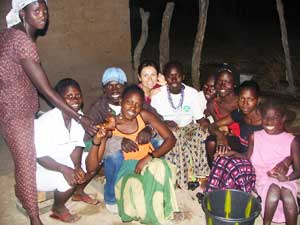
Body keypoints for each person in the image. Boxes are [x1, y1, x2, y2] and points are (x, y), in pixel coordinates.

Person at [0, 1, 96, 224]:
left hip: (17, 105)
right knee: (26, 162)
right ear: (22, 13)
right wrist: (79, 116)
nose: (43, 15)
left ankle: (22, 191)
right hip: (14, 113)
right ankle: (35, 218)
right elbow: (45, 89)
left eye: (45, 10)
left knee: (26, 156)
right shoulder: (22, 40)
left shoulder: (13, 33)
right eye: (36, 11)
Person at [88, 84, 179, 224]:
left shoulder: (143, 116)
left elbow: (171, 138)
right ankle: (114, 196)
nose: (132, 108)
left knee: (160, 167)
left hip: (146, 162)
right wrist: (100, 138)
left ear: (142, 106)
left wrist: (149, 156)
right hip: (126, 170)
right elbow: (94, 164)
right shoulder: (111, 124)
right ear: (121, 102)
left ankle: (157, 212)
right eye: (129, 102)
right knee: (136, 188)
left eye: (137, 104)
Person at [84, 67, 158, 214]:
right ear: (104, 88)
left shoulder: (134, 100)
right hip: (110, 146)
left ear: (125, 87)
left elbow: (158, 119)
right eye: (109, 85)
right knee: (115, 156)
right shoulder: (98, 108)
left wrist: (150, 129)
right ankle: (111, 196)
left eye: (118, 84)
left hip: (136, 142)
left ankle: (151, 182)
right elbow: (90, 137)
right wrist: (118, 140)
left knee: (159, 142)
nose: (114, 89)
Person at [35, 79, 99, 223]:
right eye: (69, 96)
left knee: (94, 161)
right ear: (58, 99)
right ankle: (58, 207)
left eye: (78, 95)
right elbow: (40, 157)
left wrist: (76, 167)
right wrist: (66, 169)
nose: (75, 99)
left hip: (65, 161)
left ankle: (78, 192)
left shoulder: (78, 117)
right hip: (43, 168)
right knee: (68, 178)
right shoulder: (45, 122)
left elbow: (77, 146)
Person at [151, 60, 209, 189]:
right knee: (174, 137)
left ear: (183, 76)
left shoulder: (192, 93)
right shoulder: (158, 94)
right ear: (165, 77)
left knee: (200, 133)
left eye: (177, 75)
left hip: (187, 127)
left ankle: (202, 175)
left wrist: (206, 126)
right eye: (170, 75)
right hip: (165, 128)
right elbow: (152, 119)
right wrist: (165, 122)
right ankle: (180, 179)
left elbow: (199, 118)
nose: (174, 78)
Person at [205, 81, 262, 193]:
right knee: (212, 142)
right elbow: (213, 126)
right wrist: (221, 136)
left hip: (258, 154)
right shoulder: (239, 113)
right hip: (242, 145)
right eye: (242, 99)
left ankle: (233, 185)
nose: (245, 103)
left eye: (250, 99)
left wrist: (235, 154)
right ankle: (215, 177)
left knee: (230, 159)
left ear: (258, 100)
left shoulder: (266, 119)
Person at [249, 99, 300, 225]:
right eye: (266, 117)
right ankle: (266, 222)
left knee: (288, 194)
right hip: (262, 177)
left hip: (285, 177)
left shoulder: (292, 141)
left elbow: (298, 171)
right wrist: (234, 155)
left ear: (283, 119)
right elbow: (247, 159)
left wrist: (287, 178)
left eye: (275, 117)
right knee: (273, 189)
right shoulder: (255, 136)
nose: (269, 121)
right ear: (261, 117)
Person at [205, 67, 240, 166]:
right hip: (228, 137)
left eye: (227, 82)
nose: (222, 86)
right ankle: (214, 174)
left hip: (243, 139)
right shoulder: (213, 104)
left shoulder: (242, 102)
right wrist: (220, 135)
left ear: (234, 84)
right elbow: (217, 126)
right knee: (211, 142)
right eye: (219, 82)